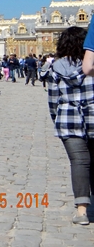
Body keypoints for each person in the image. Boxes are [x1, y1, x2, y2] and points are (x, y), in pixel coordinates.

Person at [46, 27, 94, 225]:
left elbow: (53, 100)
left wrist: (57, 118)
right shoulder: (91, 65)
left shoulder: (56, 67)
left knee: (79, 162)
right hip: (92, 116)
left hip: (68, 119)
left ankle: (82, 212)